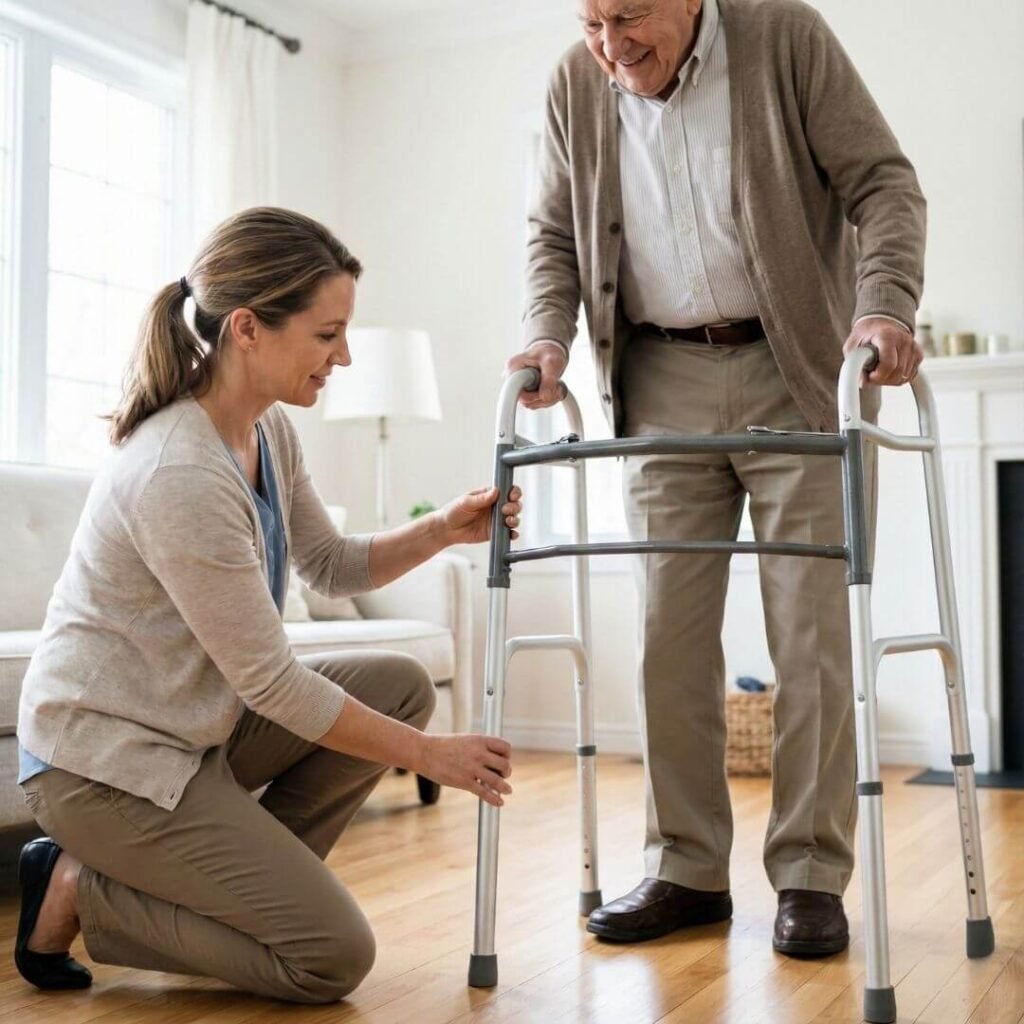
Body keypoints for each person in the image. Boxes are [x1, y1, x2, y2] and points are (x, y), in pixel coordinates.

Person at [15, 207, 522, 1002]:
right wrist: (432, 758)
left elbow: (328, 562)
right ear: (248, 328)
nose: (344, 356)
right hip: (104, 764)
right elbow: (274, 683)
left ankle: (234, 894)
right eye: (327, 335)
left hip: (189, 733)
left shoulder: (267, 429)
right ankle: (81, 887)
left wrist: (441, 531)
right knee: (330, 959)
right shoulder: (178, 471)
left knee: (399, 683)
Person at [507, 0, 925, 956]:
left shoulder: (783, 35)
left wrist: (884, 306)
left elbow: (884, 184)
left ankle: (811, 874)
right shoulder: (577, 84)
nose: (612, 47)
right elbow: (552, 232)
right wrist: (545, 334)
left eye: (630, 16)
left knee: (810, 633)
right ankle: (686, 868)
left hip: (797, 363)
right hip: (658, 375)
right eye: (590, 22)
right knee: (666, 633)